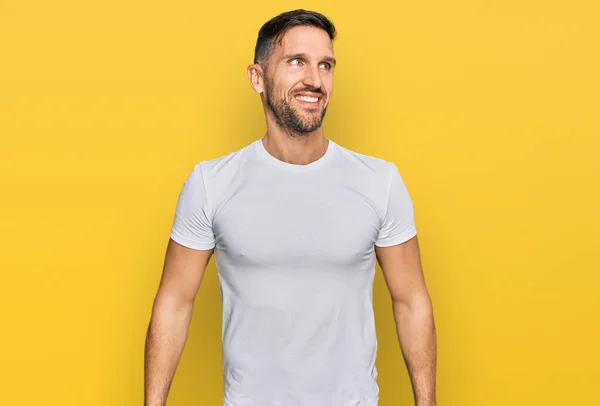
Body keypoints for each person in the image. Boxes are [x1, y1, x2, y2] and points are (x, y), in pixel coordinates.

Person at [144, 9, 437, 406]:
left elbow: (411, 301)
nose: (314, 80)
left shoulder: (379, 181)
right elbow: (174, 303)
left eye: (326, 65)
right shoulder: (211, 183)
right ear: (257, 77)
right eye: (296, 62)